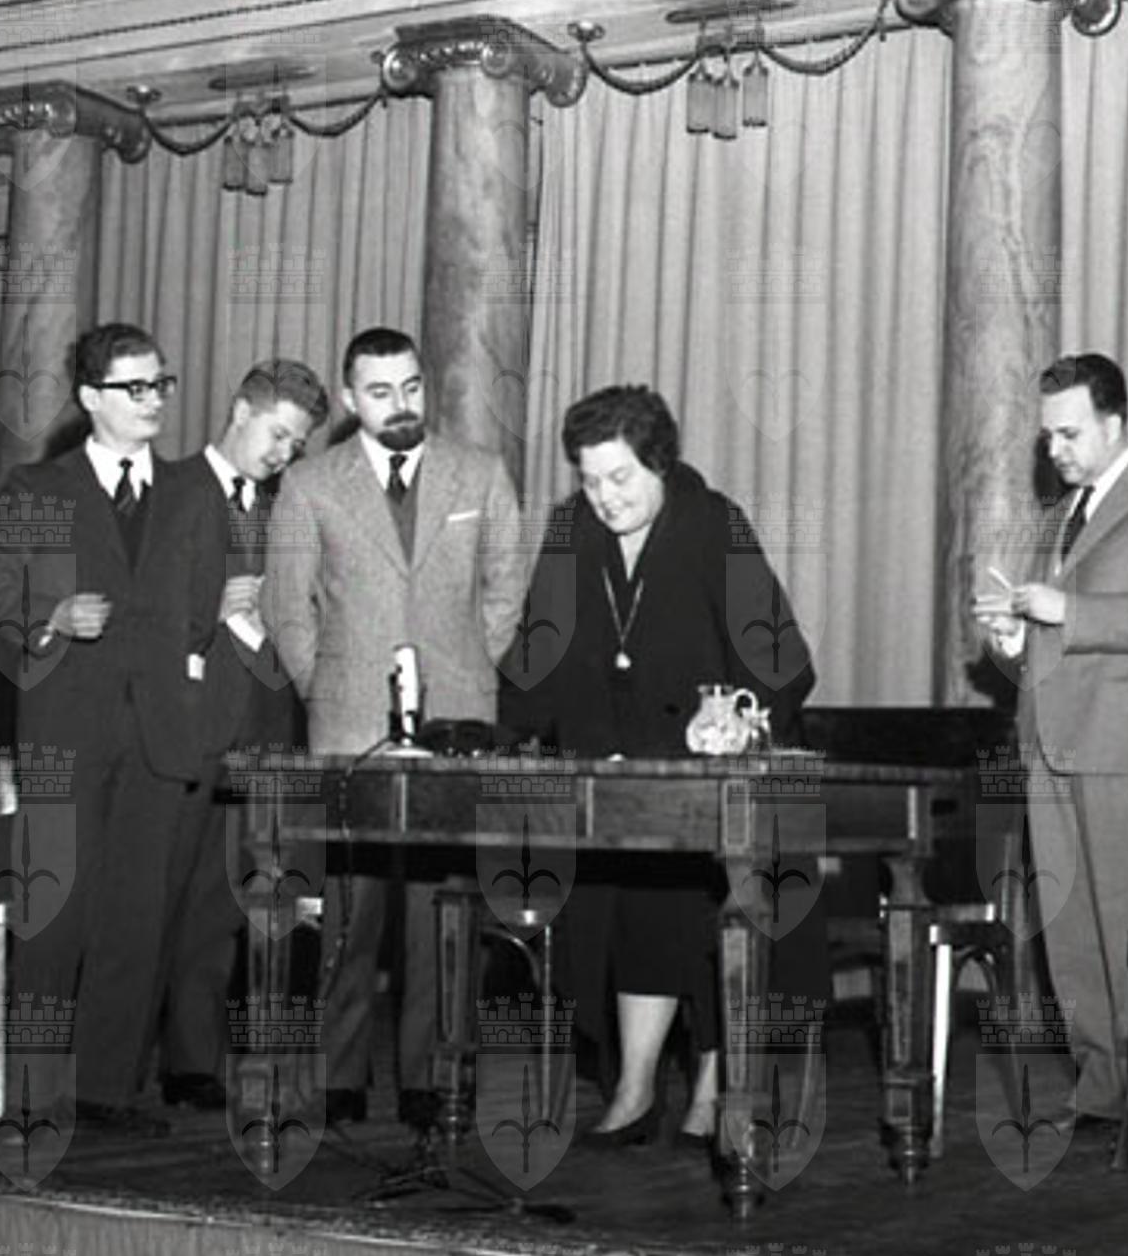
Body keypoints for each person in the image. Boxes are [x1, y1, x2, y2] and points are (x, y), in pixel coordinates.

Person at [500, 385, 818, 1149]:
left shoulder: (712, 523)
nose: (603, 498)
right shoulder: (570, 530)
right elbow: (538, 654)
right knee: (626, 913)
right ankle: (635, 1086)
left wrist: (739, 713)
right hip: (611, 777)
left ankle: (713, 1087)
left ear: (660, 464)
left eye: (619, 478)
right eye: (589, 480)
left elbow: (779, 659)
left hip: (706, 778)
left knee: (702, 911)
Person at [261, 328, 524, 1130]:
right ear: (350, 400)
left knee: (444, 913)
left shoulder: (481, 473)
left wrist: (464, 672)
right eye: (380, 392)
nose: (400, 404)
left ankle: (432, 1079)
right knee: (349, 911)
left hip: (455, 727)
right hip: (348, 730)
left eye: (411, 387)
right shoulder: (309, 484)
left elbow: (505, 590)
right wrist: (326, 691)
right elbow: (287, 606)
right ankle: (338, 1077)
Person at [0, 322, 223, 1135]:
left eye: (160, 384)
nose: (153, 400)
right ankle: (32, 1096)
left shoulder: (192, 493)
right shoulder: (35, 487)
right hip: (66, 732)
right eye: (134, 387)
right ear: (89, 397)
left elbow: (202, 610)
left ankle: (107, 1089)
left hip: (160, 736)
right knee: (55, 917)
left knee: (136, 919)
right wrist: (52, 616)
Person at [972, 353, 1128, 1149]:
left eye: (1070, 434)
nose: (1056, 451)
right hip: (1053, 744)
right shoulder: (1059, 517)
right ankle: (1104, 1089)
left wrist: (1064, 611)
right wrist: (1014, 637)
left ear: (1114, 423)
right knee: (1074, 936)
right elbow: (1051, 641)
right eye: (1047, 437)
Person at [156, 357, 329, 1111]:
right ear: (239, 410)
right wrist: (207, 610)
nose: (284, 454)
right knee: (180, 903)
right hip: (188, 733)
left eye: (297, 444)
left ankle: (237, 1062)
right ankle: (181, 1060)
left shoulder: (292, 509)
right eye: (277, 434)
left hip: (272, 731)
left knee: (245, 906)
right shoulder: (167, 492)